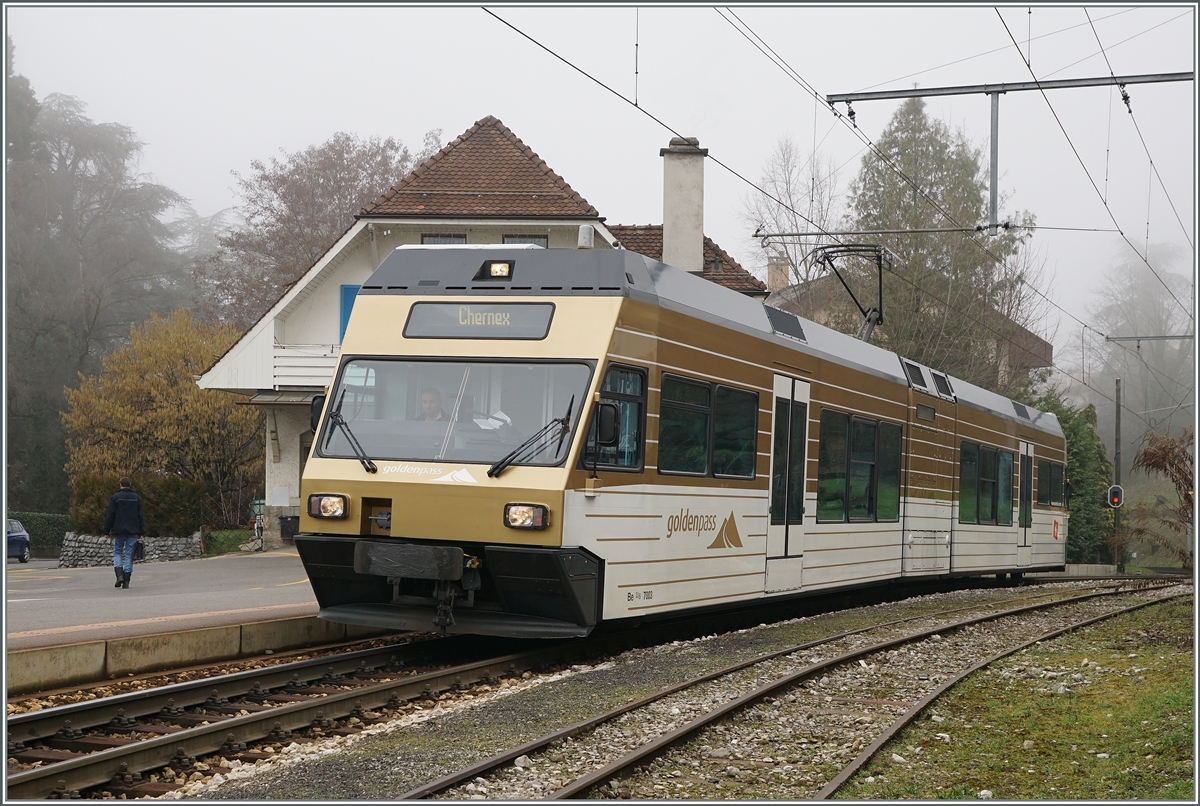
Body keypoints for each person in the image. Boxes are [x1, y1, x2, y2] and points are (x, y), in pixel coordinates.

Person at [102, 477, 145, 589]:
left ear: (120, 485)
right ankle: (126, 581)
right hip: (133, 530)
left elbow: (110, 515)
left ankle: (119, 575)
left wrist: (106, 531)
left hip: (119, 530)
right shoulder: (136, 498)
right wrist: (141, 531)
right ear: (130, 485)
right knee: (129, 555)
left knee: (117, 552)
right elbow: (140, 516)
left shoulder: (115, 497)